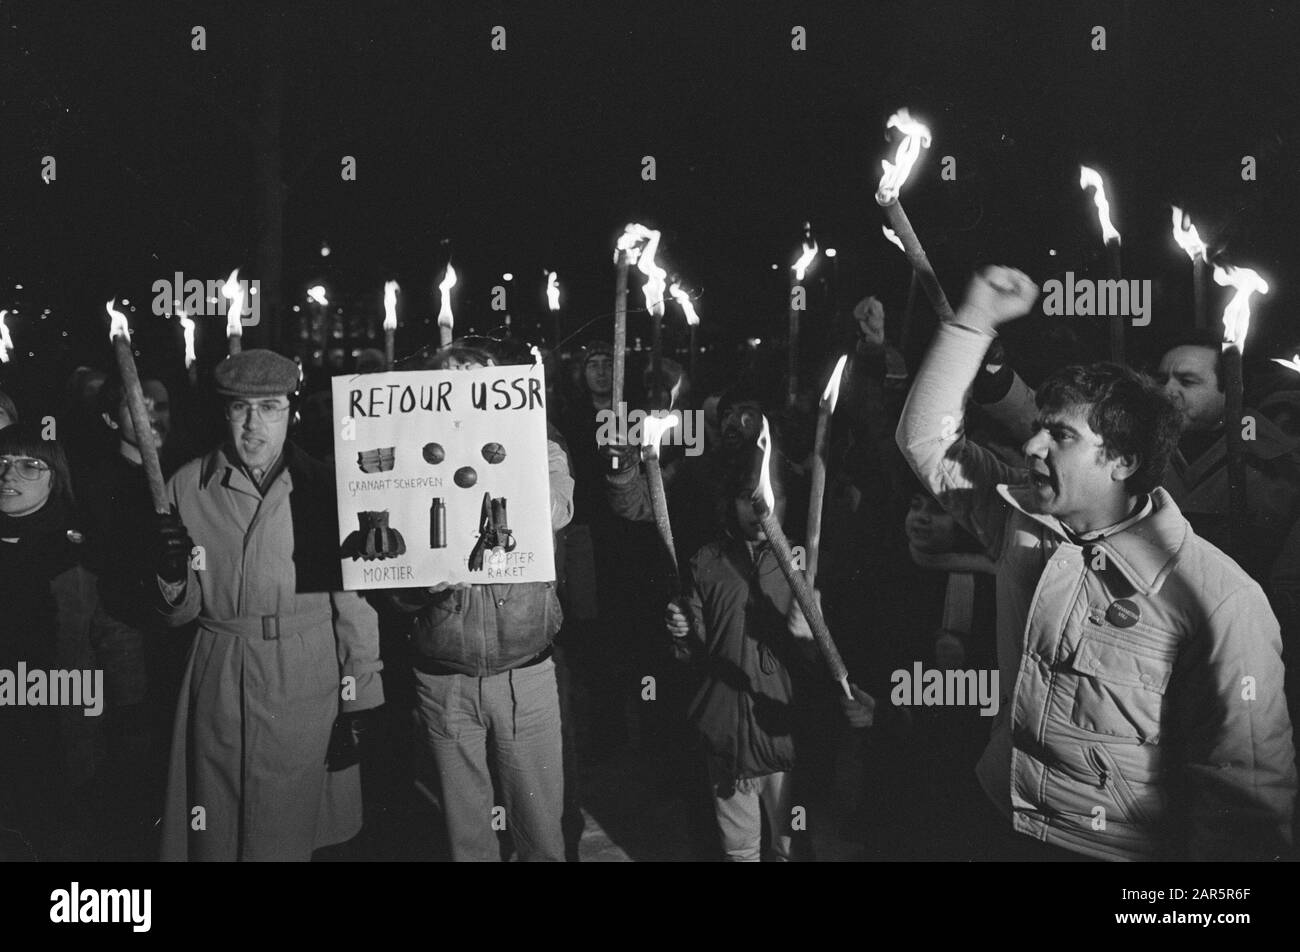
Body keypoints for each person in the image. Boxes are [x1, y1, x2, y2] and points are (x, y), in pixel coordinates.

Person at [897, 265, 1296, 861]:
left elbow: (1246, 796)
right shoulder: (1022, 521)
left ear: (1122, 461)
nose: (1031, 447)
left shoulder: (1220, 599)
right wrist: (974, 319)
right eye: (1037, 430)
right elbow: (926, 440)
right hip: (999, 819)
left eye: (1059, 435)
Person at [154, 349, 385, 861]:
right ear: (224, 413)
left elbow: (353, 603)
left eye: (270, 407)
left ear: (292, 413)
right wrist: (171, 576)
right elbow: (181, 612)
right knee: (216, 824)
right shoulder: (187, 486)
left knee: (289, 830)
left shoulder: (324, 486)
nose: (253, 424)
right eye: (240, 408)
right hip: (218, 669)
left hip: (306, 672)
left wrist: (359, 698)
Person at [388, 343, 574, 862]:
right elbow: (388, 587)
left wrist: (501, 464)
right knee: (465, 837)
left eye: (479, 385)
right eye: (451, 386)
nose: (466, 397)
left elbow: (557, 510)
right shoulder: (412, 458)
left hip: (524, 675)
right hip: (443, 679)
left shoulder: (542, 447)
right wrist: (419, 584)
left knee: (540, 827)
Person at [664, 475, 874, 861]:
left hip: (785, 734)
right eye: (747, 497)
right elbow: (695, 652)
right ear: (731, 502)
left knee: (791, 842)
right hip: (727, 734)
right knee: (738, 847)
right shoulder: (708, 561)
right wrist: (682, 631)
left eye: (766, 493)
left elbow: (832, 664)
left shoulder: (804, 563)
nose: (758, 505)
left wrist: (812, 636)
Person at [0, 424, 103, 860]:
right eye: (2, 464)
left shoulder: (79, 550)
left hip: (59, 729)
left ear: (55, 477)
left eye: (29, 466)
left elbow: (113, 637)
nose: (9, 476)